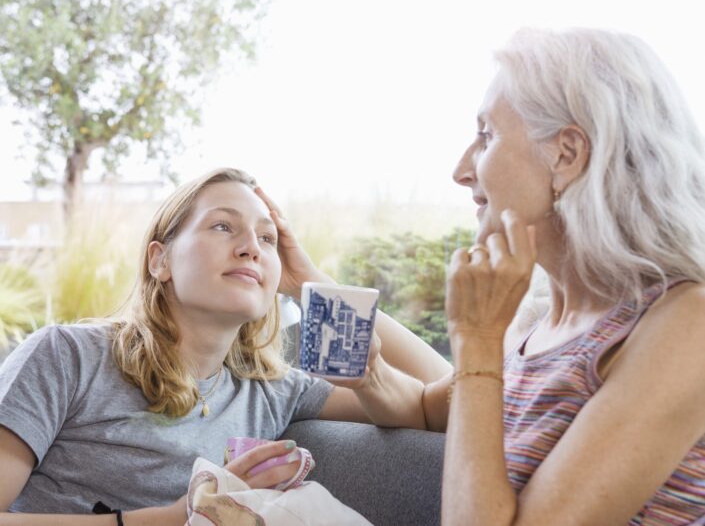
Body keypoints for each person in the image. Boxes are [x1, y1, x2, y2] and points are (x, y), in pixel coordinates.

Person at [0, 167, 451, 525]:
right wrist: (172, 519)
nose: (251, 248)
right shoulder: (66, 356)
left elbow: (442, 401)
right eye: (222, 226)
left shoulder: (270, 390)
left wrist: (314, 284)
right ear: (160, 260)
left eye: (269, 239)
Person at [422, 28, 705, 526]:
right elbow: (422, 406)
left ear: (566, 154)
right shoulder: (535, 322)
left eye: (486, 135)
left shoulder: (687, 324)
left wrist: (476, 337)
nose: (462, 170)